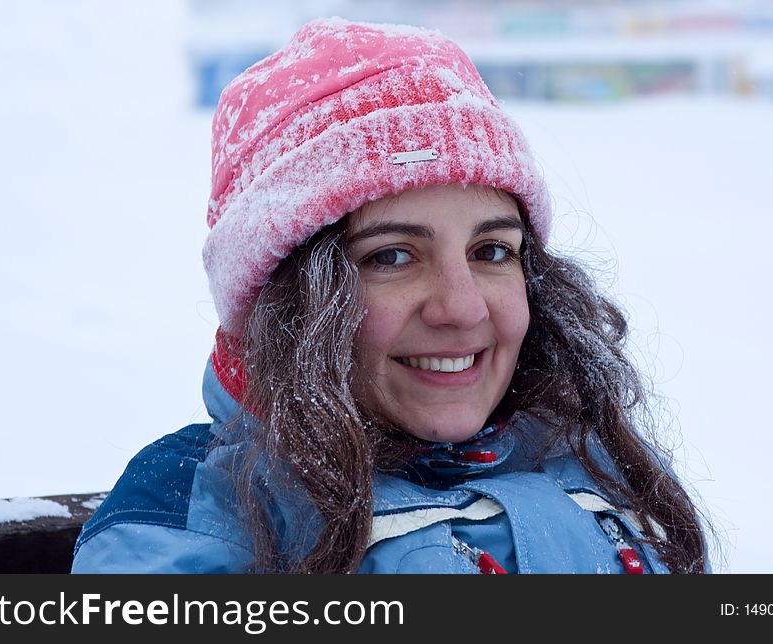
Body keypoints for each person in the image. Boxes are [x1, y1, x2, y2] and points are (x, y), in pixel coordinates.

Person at [71, 17, 709, 574]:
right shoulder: (200, 512)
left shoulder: (596, 455)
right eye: (392, 257)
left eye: (491, 251)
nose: (461, 308)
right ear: (286, 301)